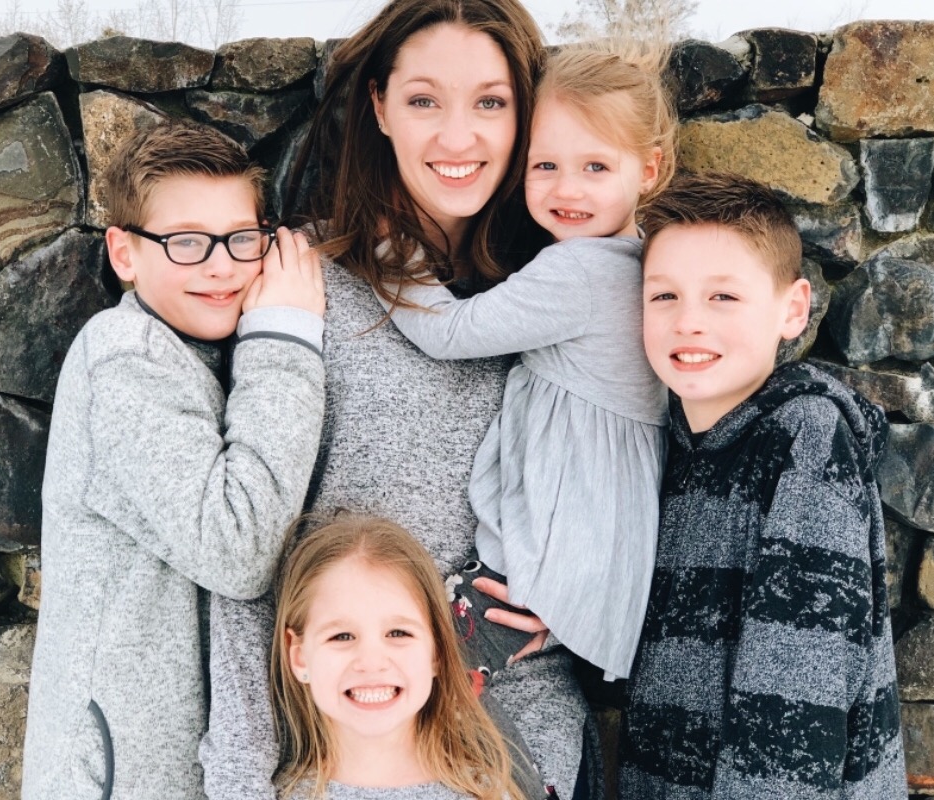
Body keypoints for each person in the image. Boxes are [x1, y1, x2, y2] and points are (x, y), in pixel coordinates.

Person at [203, 2, 598, 799]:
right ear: (380, 107)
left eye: (490, 102)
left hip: (519, 744)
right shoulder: (305, 284)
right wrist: (241, 778)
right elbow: (246, 556)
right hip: (346, 753)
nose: (458, 137)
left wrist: (583, 592)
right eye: (424, 100)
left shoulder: (567, 286)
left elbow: (624, 474)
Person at [22, 122, 326, 800]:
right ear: (124, 253)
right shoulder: (124, 355)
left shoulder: (196, 349)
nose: (221, 266)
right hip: (124, 774)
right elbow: (239, 550)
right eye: (186, 242)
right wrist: (286, 337)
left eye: (241, 239)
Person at [374, 39, 675, 684]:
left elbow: (449, 332)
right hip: (592, 553)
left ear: (649, 169)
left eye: (596, 167)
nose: (568, 189)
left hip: (535, 555)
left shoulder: (578, 271)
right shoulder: (641, 261)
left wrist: (389, 249)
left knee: (420, 682)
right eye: (545, 165)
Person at [619, 172, 907, 798]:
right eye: (664, 295)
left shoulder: (806, 438)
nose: (688, 321)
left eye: (723, 296)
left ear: (793, 310)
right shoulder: (671, 444)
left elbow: (798, 694)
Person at [271, 514, 521, 800]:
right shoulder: (270, 793)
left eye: (398, 633)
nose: (371, 662)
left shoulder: (489, 793)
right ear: (300, 658)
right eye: (341, 636)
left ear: (437, 651)